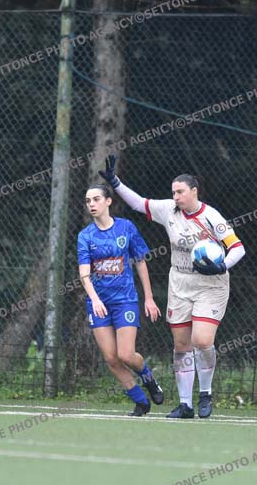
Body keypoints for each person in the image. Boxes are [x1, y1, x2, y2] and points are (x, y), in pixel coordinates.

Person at [99, 155, 246, 419]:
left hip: (210, 284)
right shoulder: (169, 210)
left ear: (194, 191)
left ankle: (206, 393)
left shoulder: (211, 216)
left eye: (180, 192)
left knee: (202, 340)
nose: (175, 197)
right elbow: (139, 203)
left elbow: (238, 248)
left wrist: (222, 265)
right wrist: (115, 182)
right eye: (173, 192)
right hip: (179, 282)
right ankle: (185, 405)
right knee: (181, 345)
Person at [77, 184, 164, 416]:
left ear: (108, 201)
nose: (91, 204)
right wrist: (95, 299)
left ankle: (149, 379)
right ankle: (140, 401)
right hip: (99, 303)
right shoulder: (85, 236)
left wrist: (149, 298)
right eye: (88, 201)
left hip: (125, 300)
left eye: (96, 199)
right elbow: (84, 273)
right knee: (111, 359)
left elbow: (140, 261)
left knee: (126, 354)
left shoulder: (126, 227)